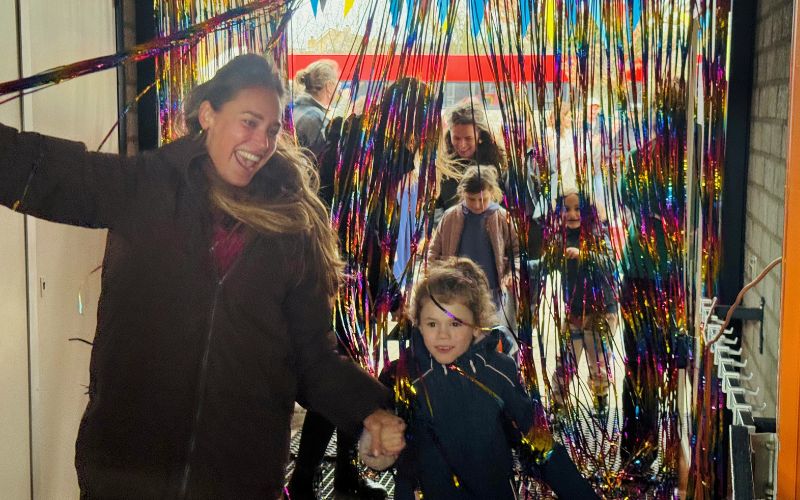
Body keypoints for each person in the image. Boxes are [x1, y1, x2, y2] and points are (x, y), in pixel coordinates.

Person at [0, 53, 405, 499]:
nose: (262, 141)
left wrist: (369, 412)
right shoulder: (147, 187)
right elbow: (44, 172)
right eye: (249, 122)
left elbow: (311, 356)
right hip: (127, 471)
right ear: (209, 114)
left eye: (271, 129)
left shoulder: (292, 228)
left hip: (237, 478)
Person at [288, 78, 430, 499]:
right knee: (339, 380)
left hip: (348, 278)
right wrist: (383, 285)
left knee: (352, 375)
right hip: (343, 280)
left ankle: (341, 475)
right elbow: (362, 229)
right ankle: (305, 481)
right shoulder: (371, 151)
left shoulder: (360, 139)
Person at [360, 257, 598, 499]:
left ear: (476, 327)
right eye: (432, 323)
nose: (443, 335)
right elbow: (379, 437)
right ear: (418, 324)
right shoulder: (402, 375)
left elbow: (538, 441)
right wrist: (377, 446)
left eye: (455, 324)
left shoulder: (499, 373)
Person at [547, 188, 619, 421]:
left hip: (600, 311)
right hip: (574, 311)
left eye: (577, 209)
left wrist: (583, 254)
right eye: (566, 209)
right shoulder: (559, 237)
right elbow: (548, 264)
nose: (572, 214)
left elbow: (608, 261)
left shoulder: (598, 234)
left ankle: (600, 400)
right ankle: (558, 404)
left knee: (598, 359)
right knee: (566, 360)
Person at [428, 165, 519, 327]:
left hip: (492, 293)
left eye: (483, 200)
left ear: (492, 192)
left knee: (490, 335)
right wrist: (435, 281)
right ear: (463, 194)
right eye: (472, 199)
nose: (477, 205)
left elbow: (517, 253)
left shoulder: (502, 218)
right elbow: (433, 253)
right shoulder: (450, 217)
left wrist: (513, 274)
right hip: (456, 292)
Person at [436, 100, 506, 214]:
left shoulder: (498, 164)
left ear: (480, 136)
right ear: (450, 136)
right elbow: (436, 207)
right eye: (457, 138)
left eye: (468, 138)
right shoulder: (444, 167)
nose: (462, 145)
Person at [293, 59, 339, 158]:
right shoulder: (316, 119)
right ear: (329, 86)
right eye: (336, 83)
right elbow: (324, 161)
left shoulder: (296, 108)